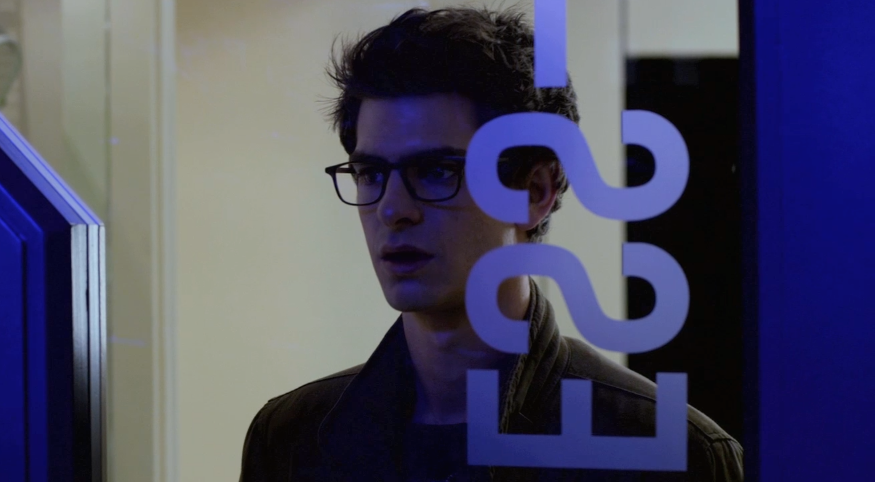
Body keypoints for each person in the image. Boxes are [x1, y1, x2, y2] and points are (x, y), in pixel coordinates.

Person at [238, 6, 742, 482]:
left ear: (535, 192)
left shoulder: (667, 450)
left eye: (436, 171)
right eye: (371, 173)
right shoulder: (291, 439)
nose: (392, 210)